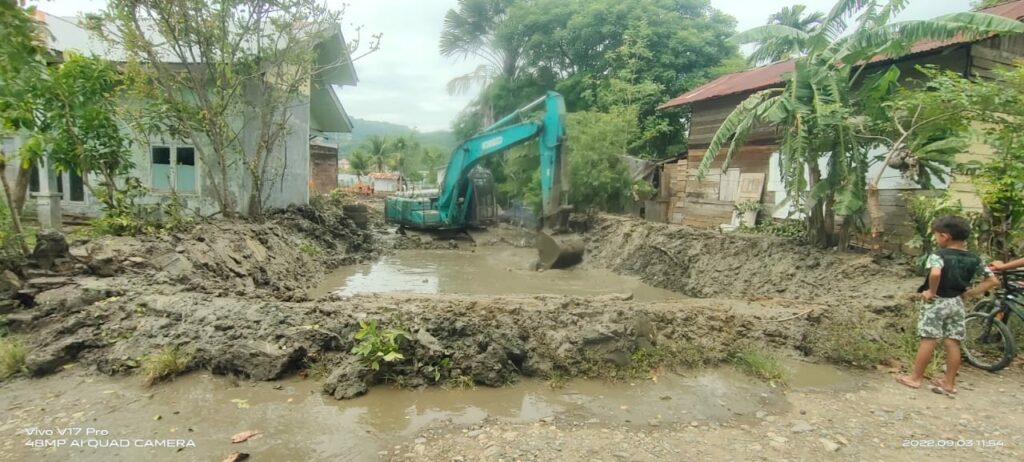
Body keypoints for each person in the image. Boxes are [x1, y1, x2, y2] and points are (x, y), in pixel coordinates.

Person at [896, 216, 1000, 395]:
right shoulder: (974, 258)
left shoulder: (938, 255)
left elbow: (935, 274)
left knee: (928, 339)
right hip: (957, 303)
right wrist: (969, 293)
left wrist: (931, 292)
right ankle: (949, 383)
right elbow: (992, 280)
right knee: (953, 342)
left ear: (945, 236)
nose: (936, 238)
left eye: (936, 235)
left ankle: (915, 378)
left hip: (936, 302)